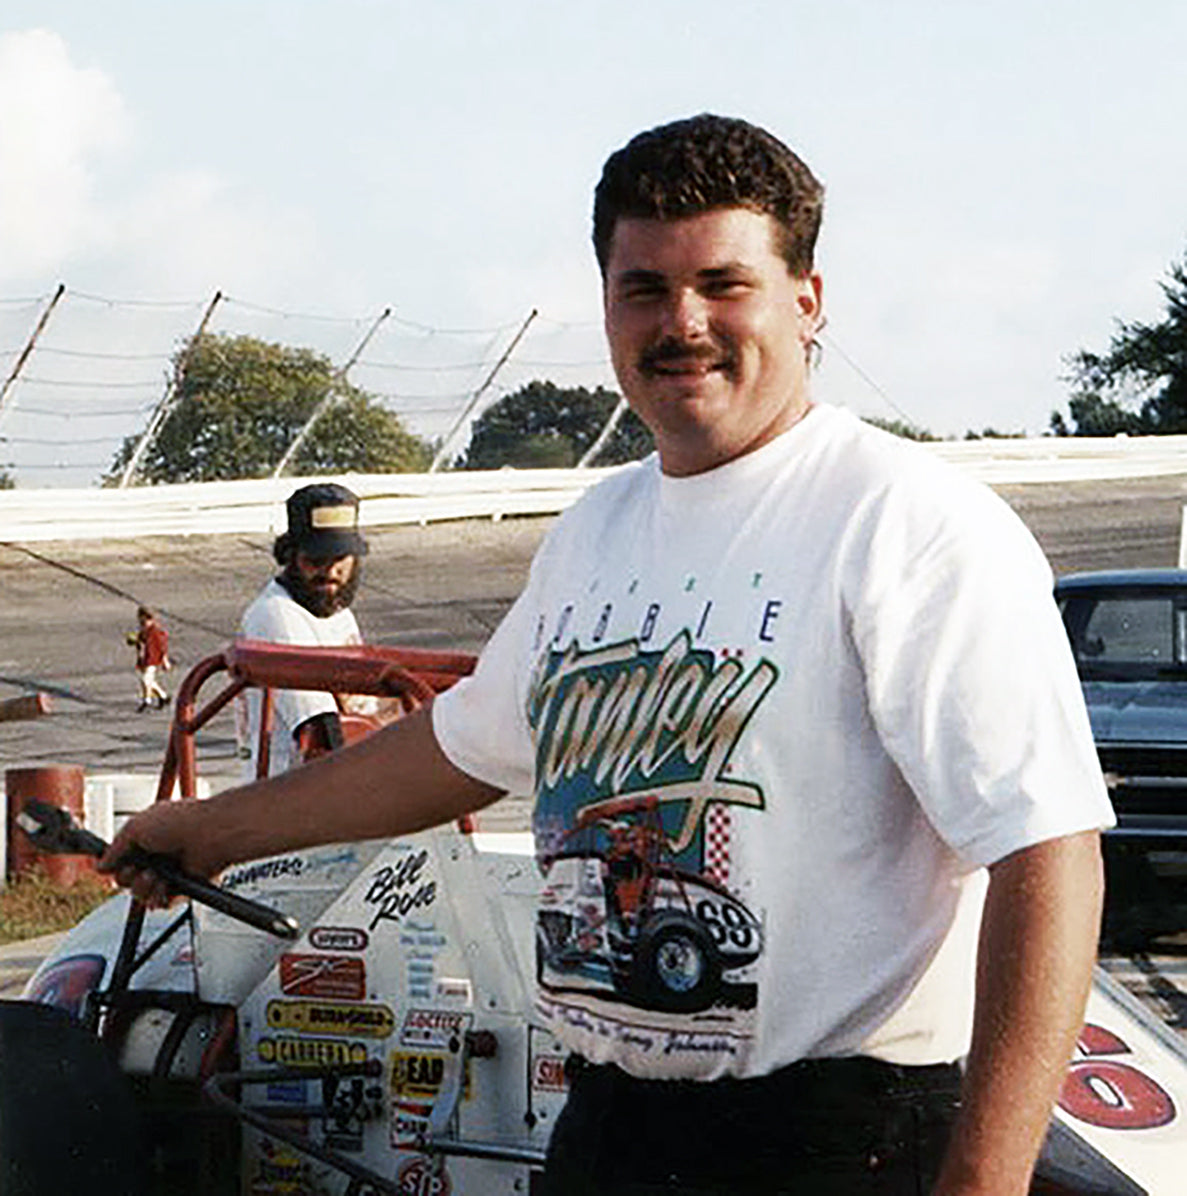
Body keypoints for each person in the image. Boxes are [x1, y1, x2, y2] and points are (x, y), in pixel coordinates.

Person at [104, 114, 1114, 1195]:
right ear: (605, 307)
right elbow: (457, 747)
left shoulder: (908, 523)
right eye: (644, 288)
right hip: (610, 1128)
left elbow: (1046, 855)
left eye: (723, 283)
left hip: (835, 1138)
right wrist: (211, 829)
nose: (682, 322)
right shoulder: (595, 531)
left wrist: (983, 1182)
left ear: (806, 301)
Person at [237, 482, 371, 775]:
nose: (330, 571)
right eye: (316, 560)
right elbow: (322, 736)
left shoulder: (339, 613)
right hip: (290, 794)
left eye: (340, 559)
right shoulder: (275, 615)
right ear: (290, 556)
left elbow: (368, 713)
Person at [129, 606, 171, 712]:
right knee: (150, 681)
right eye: (142, 621)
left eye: (146, 620)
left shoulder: (156, 631)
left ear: (151, 619)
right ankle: (163, 696)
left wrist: (165, 660)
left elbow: (162, 646)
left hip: (153, 658)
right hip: (146, 658)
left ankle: (147, 700)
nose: (144, 623)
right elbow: (140, 644)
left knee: (145, 680)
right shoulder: (143, 630)